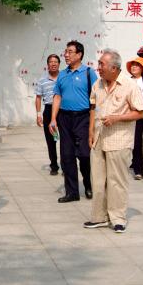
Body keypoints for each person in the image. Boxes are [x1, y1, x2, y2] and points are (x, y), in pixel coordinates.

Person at [84, 49, 143, 233]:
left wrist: (117, 118)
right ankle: (99, 217)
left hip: (119, 140)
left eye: (102, 64)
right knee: (98, 181)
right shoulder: (97, 84)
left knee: (116, 181)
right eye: (99, 64)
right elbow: (92, 108)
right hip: (99, 138)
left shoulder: (129, 86)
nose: (98, 67)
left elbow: (140, 112)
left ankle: (118, 218)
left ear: (114, 68)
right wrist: (90, 132)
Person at [49, 40, 97, 202]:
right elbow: (57, 96)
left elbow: (95, 98)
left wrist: (93, 123)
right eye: (66, 52)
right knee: (67, 155)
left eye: (70, 52)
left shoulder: (89, 73)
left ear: (79, 54)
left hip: (83, 117)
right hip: (65, 118)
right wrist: (53, 119)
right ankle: (72, 192)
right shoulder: (62, 74)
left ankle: (88, 183)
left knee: (84, 154)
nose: (66, 55)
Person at [35, 54, 61, 174]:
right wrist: (38, 114)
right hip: (49, 110)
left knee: (65, 140)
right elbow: (38, 98)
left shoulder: (64, 77)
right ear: (47, 65)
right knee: (51, 140)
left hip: (63, 110)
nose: (53, 64)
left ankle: (66, 165)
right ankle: (54, 166)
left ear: (59, 64)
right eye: (51, 62)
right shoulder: (42, 80)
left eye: (56, 62)